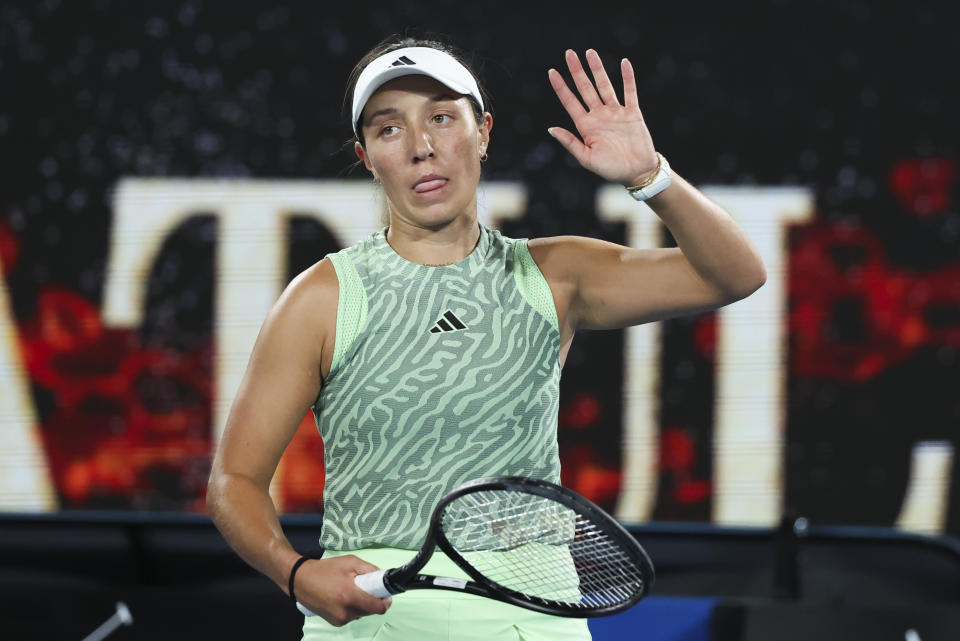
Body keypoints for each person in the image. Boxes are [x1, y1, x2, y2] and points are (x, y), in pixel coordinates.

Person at [206, 34, 766, 641]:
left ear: (484, 133)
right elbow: (233, 482)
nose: (422, 147)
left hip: (532, 611)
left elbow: (737, 274)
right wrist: (296, 574)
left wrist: (649, 176)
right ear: (367, 157)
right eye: (389, 129)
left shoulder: (556, 275)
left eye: (442, 118)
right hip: (376, 616)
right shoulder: (322, 297)